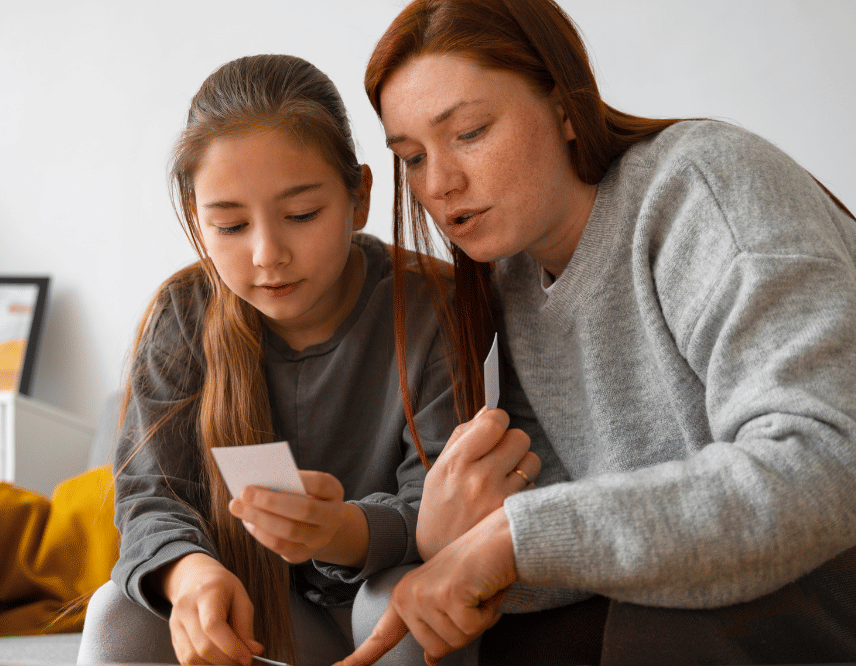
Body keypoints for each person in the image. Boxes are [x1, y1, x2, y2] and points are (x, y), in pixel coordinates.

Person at [338, 0, 856, 664]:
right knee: (414, 616)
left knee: (657, 630)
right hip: (707, 600)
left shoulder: (704, 187)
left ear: (562, 104)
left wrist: (511, 540)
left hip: (825, 571)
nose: (440, 184)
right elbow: (575, 526)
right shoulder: (514, 280)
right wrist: (448, 540)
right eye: (411, 157)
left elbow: (826, 464)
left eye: (469, 131)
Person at [75, 54, 539, 666]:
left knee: (402, 603)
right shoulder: (183, 316)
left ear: (360, 196)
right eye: (231, 224)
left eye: (301, 216)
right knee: (115, 613)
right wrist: (188, 576)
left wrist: (341, 530)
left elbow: (442, 504)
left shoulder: (435, 308)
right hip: (254, 617)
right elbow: (151, 498)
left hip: (378, 605)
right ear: (196, 219)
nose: (268, 255)